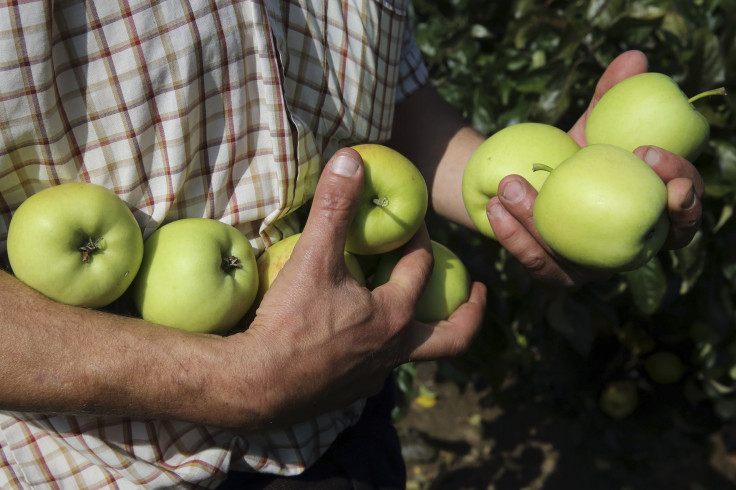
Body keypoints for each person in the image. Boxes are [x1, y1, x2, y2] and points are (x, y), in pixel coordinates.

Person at [0, 1, 703, 488]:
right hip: (95, 467)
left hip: (344, 425)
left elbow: (383, 98)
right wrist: (223, 381)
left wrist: (536, 196)